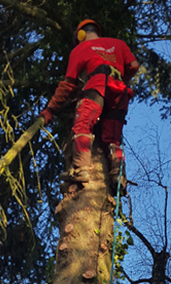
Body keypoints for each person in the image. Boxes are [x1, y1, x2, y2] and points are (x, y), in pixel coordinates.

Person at [39, 19, 139, 191]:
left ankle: (81, 169)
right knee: (113, 140)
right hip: (120, 91)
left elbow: (68, 85)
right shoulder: (119, 44)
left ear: (80, 35)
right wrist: (120, 77)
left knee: (82, 127)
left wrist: (50, 109)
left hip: (96, 86)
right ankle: (118, 175)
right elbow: (134, 65)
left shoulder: (80, 49)